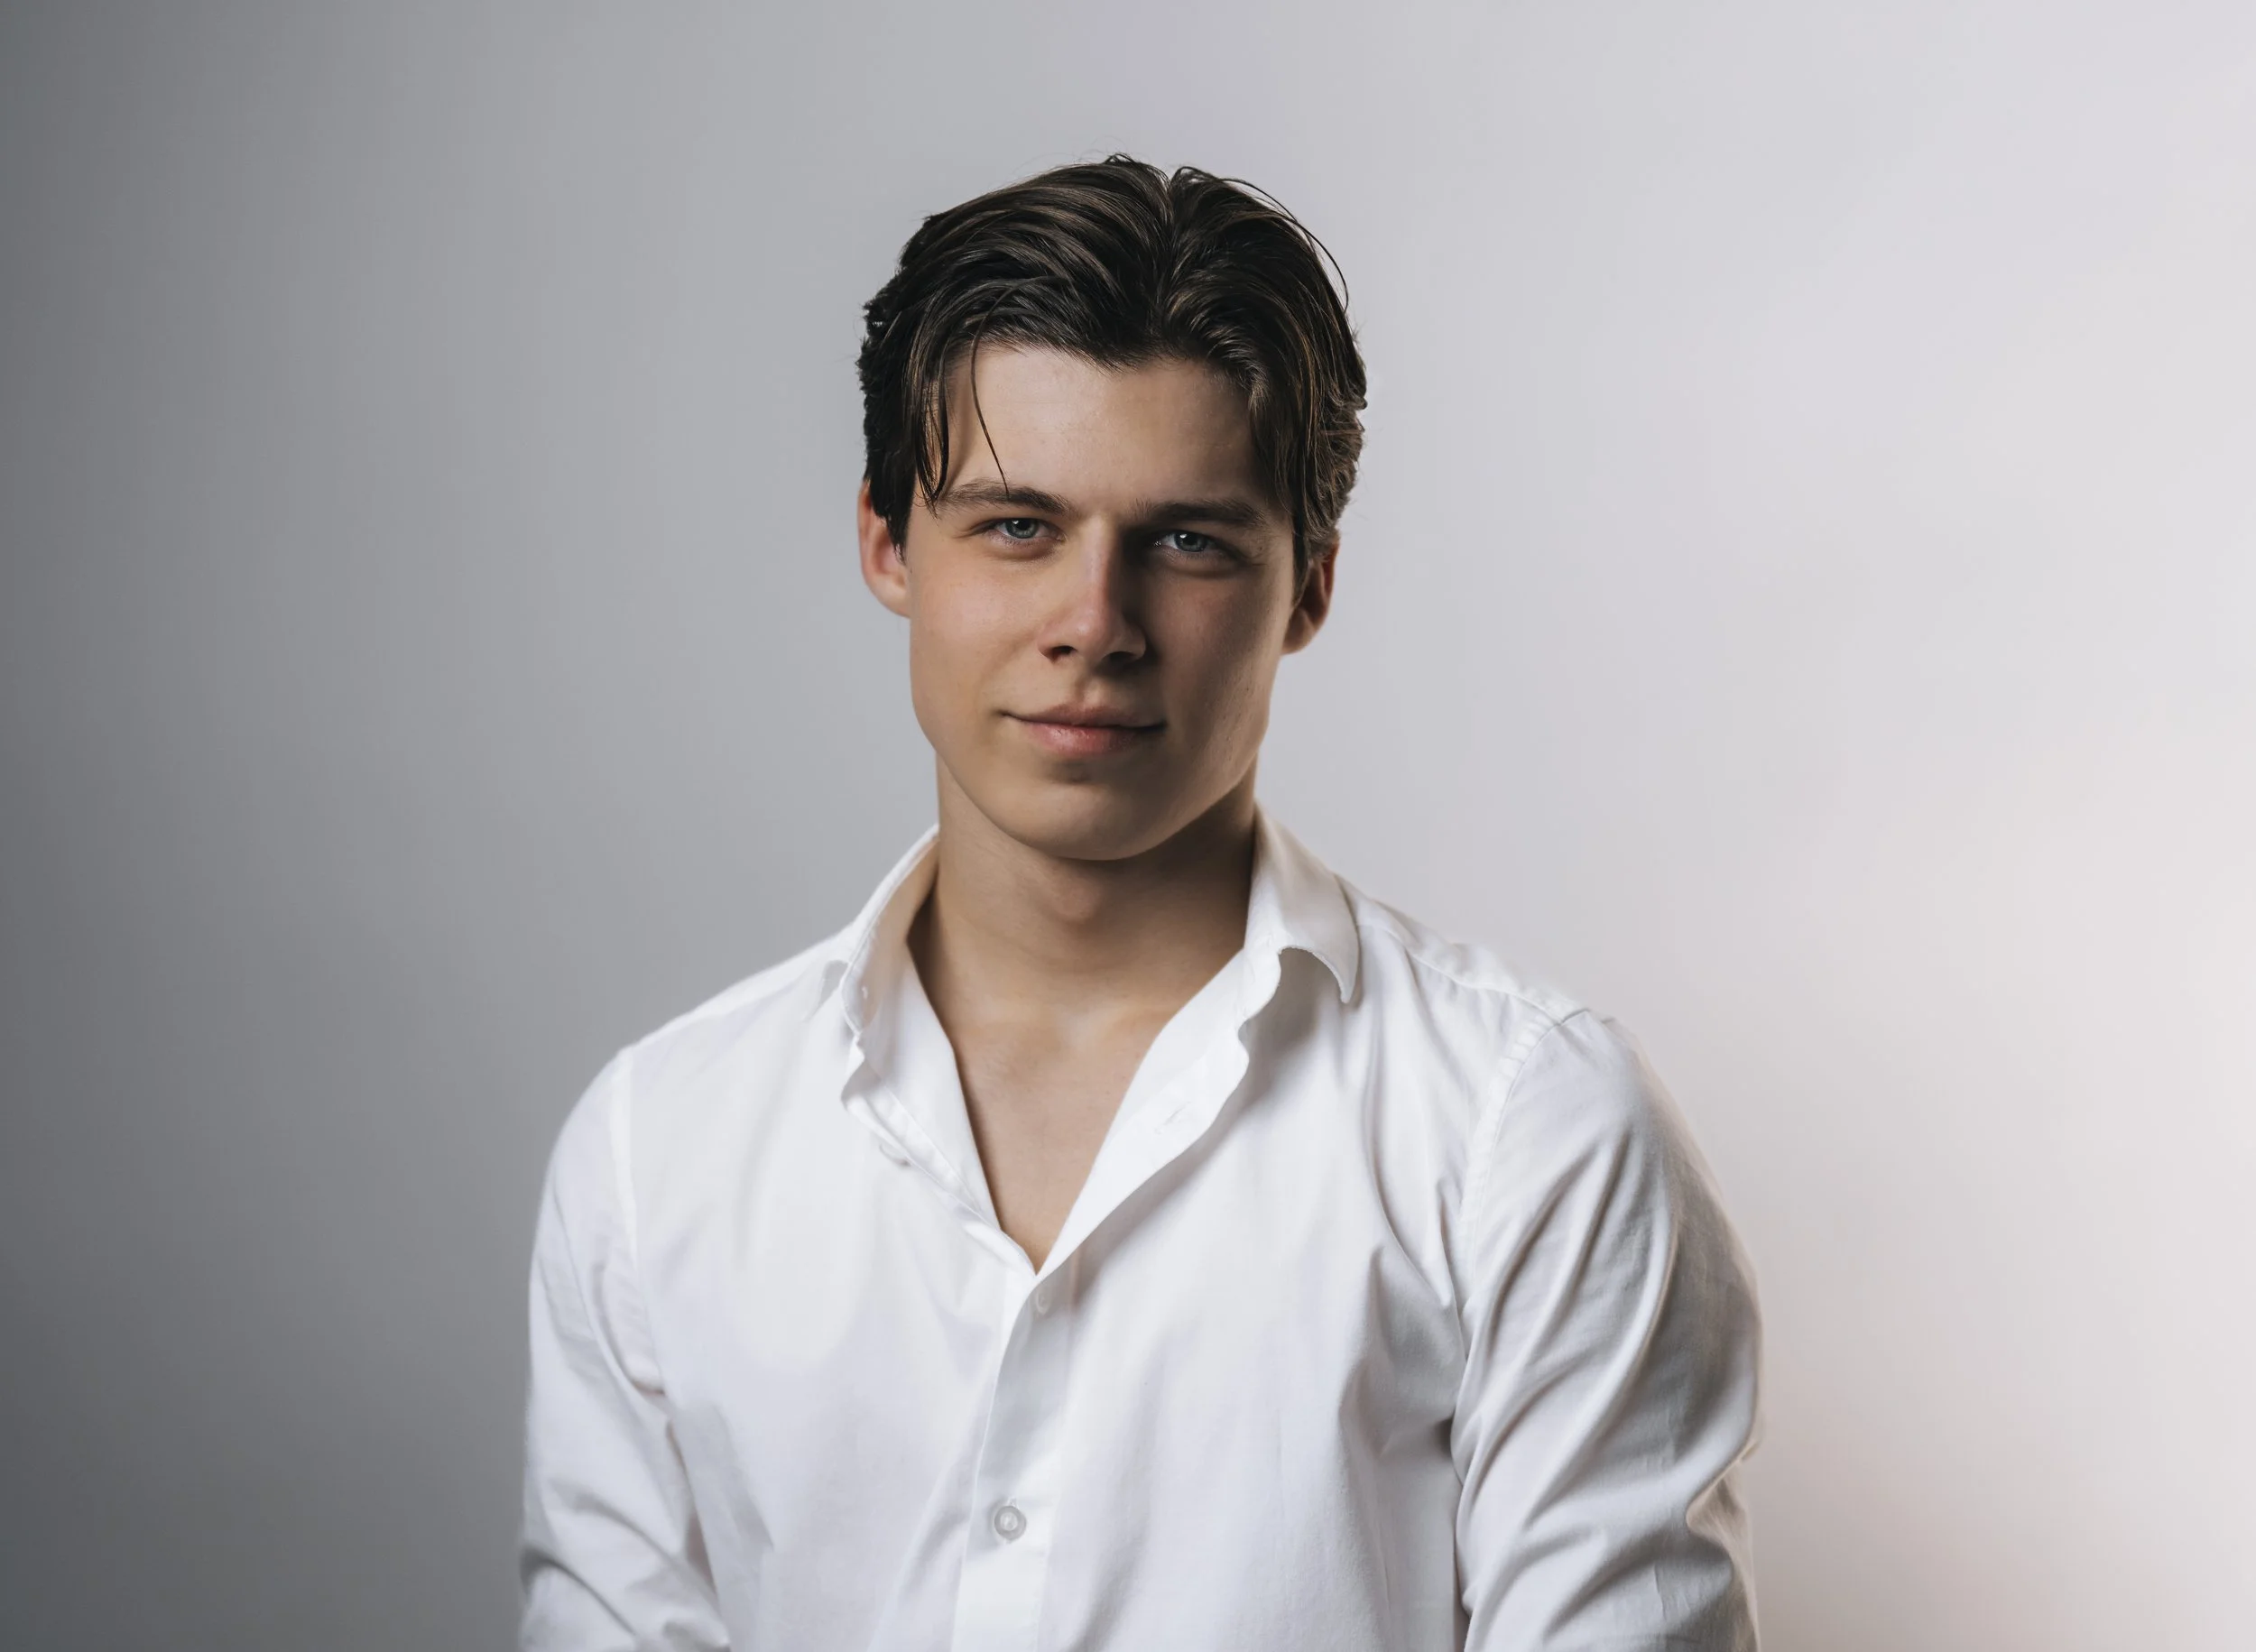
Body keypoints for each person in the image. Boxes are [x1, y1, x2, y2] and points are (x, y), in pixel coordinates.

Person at [519, 154, 1761, 1651]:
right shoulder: (661, 1151)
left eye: (1185, 541)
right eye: (1016, 525)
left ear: (1306, 587)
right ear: (885, 544)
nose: (1092, 627)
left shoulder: (1528, 1136)